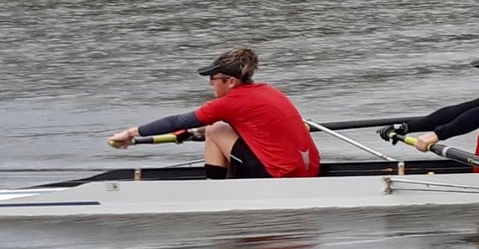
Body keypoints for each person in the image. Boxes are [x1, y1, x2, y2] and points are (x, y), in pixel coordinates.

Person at [108, 47, 320, 179]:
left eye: (213, 78)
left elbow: (178, 120)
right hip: (308, 169)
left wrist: (130, 133)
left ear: (231, 81)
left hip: (282, 175)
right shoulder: (267, 90)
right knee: (213, 127)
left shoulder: (231, 102)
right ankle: (225, 180)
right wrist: (192, 132)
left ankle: (214, 188)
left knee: (215, 129)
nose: (210, 83)